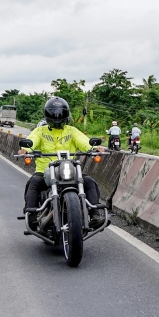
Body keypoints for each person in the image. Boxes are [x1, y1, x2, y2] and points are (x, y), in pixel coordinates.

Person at [19, 97, 104, 227]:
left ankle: (95, 214)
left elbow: (83, 141)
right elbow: (32, 140)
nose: (57, 116)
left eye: (60, 113)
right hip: (45, 172)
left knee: (89, 182)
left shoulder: (72, 131)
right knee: (34, 183)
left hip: (69, 170)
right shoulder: (40, 131)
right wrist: (25, 149)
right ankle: (31, 216)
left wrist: (94, 148)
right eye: (53, 113)